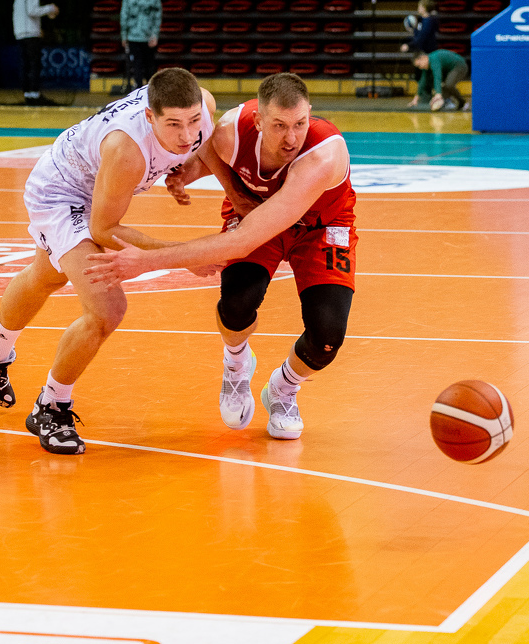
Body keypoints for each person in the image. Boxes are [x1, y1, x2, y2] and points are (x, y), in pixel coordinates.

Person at [0, 68, 218, 455]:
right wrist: (181, 257)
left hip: (91, 179)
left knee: (46, 276)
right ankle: (51, 406)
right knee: (107, 308)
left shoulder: (204, 106)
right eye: (174, 125)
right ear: (150, 117)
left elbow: (208, 147)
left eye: (193, 121)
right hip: (60, 193)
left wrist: (187, 171)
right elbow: (105, 229)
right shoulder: (126, 149)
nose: (186, 135)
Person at [87, 73, 355, 443]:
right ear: (258, 121)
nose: (291, 138)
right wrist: (195, 174)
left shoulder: (323, 156)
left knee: (327, 338)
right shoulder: (231, 130)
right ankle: (236, 360)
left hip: (321, 225)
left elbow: (243, 241)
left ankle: (283, 388)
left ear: (310, 113)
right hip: (254, 209)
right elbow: (207, 148)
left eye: (300, 124)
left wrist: (150, 260)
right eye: (279, 126)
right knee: (236, 305)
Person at [13, 0, 60, 106]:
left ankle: (28, 94)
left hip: (21, 34)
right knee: (34, 64)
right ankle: (34, 94)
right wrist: (50, 8)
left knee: (25, 65)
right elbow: (32, 11)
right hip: (30, 35)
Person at [119, 0, 162, 88]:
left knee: (137, 64)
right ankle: (150, 90)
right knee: (150, 65)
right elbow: (157, 18)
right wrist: (155, 35)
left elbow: (124, 17)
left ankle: (138, 89)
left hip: (133, 37)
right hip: (149, 37)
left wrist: (124, 36)